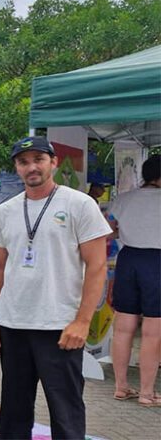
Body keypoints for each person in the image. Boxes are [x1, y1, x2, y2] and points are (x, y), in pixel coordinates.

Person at [0, 136, 111, 439]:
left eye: (38, 159)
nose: (31, 167)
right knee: (14, 409)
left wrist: (82, 321)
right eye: (23, 162)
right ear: (17, 167)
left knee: (65, 409)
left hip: (60, 325)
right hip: (13, 323)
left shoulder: (79, 204)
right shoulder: (5, 211)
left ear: (53, 162)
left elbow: (97, 267)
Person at [107, 154, 160, 406]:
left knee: (123, 327)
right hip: (157, 262)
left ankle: (121, 387)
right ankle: (147, 393)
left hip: (128, 260)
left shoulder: (124, 199)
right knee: (153, 332)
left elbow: (111, 229)